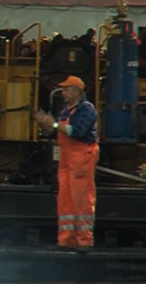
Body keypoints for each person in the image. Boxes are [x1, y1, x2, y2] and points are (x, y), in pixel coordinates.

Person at [34, 75, 99, 251]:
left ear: (77, 91)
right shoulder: (66, 110)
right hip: (67, 159)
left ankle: (84, 242)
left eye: (66, 89)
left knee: (81, 200)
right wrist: (45, 124)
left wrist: (53, 125)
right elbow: (58, 133)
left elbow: (76, 131)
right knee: (66, 200)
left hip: (81, 158)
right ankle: (66, 241)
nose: (62, 92)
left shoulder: (86, 110)